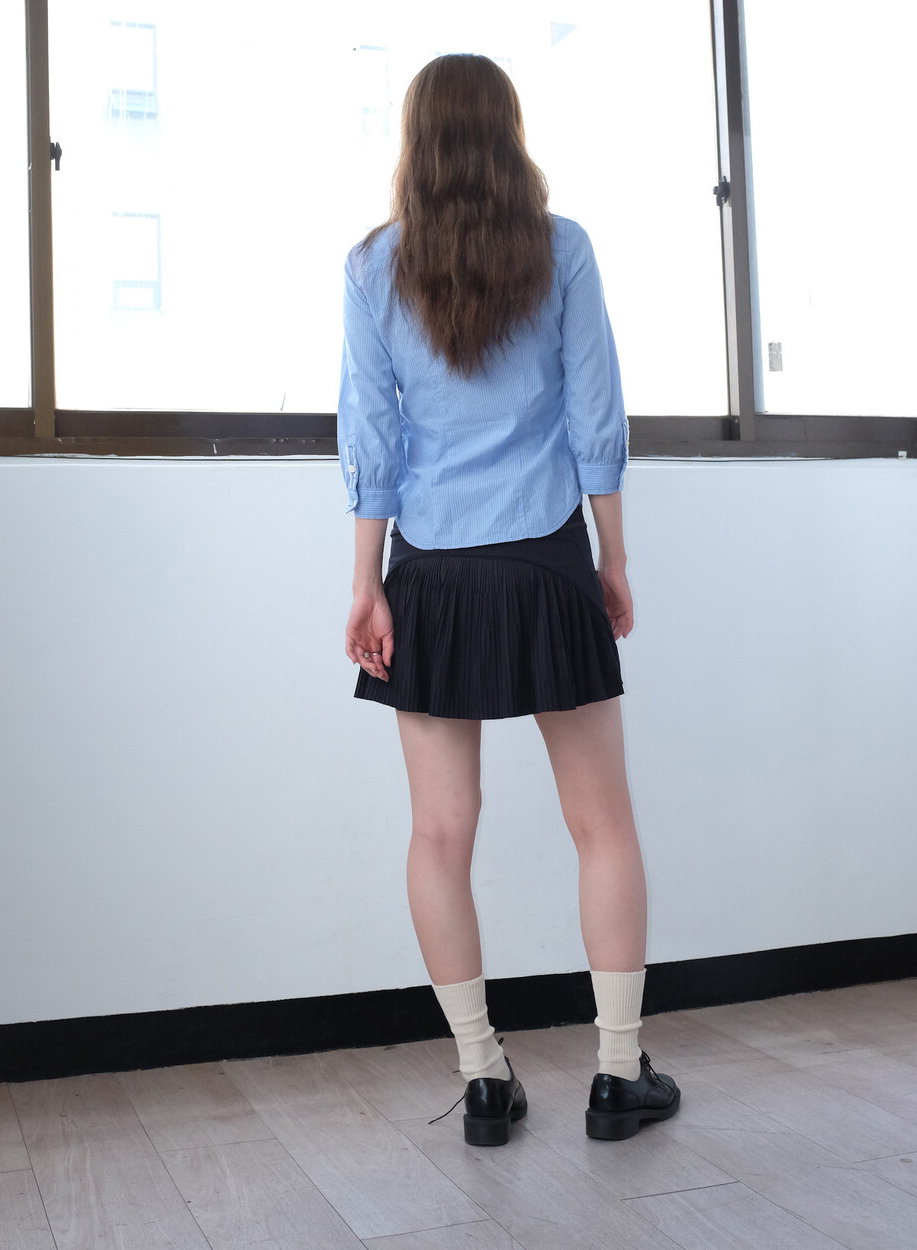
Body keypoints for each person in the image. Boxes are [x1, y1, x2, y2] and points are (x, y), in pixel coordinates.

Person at [338, 52, 680, 1146]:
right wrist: (611, 556)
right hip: (544, 562)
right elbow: (595, 415)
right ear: (507, 136)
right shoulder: (561, 248)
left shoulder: (373, 266)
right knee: (604, 822)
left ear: (418, 143)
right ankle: (617, 1073)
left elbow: (372, 438)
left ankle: (484, 1078)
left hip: (431, 575)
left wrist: (367, 583)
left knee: (439, 834)